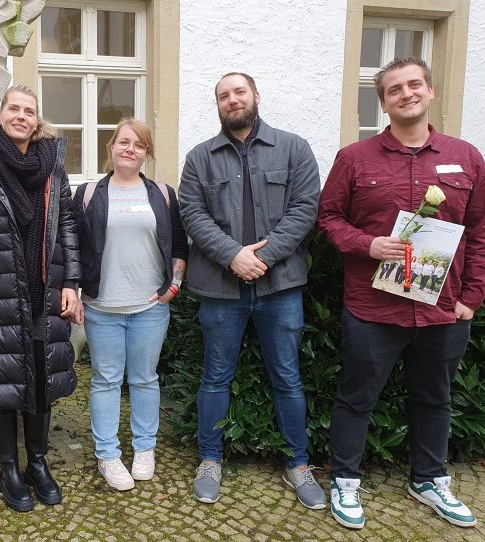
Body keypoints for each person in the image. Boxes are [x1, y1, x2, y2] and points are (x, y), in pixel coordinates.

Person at [319, 56, 483, 530]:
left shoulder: (467, 156)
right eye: (395, 89)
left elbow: (479, 230)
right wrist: (365, 244)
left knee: (435, 399)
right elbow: (329, 218)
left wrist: (471, 297)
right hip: (372, 308)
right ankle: (345, 480)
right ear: (384, 102)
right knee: (356, 398)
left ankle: (429, 479)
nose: (406, 94)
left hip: (442, 310)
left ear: (430, 91)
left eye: (414, 85)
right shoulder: (355, 158)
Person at [179, 72, 325, 509]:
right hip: (221, 289)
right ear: (218, 105)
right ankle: (209, 459)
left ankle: (298, 464)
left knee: (288, 377)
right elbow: (192, 213)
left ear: (256, 96)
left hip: (280, 287)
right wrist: (233, 256)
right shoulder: (199, 158)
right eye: (223, 95)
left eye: (239, 92)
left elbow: (305, 207)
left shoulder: (294, 148)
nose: (232, 100)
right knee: (215, 377)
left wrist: (264, 256)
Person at [0, 85, 80, 513]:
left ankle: (38, 463)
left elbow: (67, 229)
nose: (21, 116)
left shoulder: (53, 166)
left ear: (36, 119)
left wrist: (71, 282)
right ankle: (8, 468)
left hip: (43, 288)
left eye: (29, 110)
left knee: (42, 375)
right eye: (14, 108)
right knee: (3, 378)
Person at [71, 119, 188, 491]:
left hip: (150, 307)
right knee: (105, 380)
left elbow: (180, 246)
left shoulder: (163, 194)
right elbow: (70, 246)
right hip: (101, 306)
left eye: (139, 144)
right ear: (112, 147)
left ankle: (144, 449)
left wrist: (175, 284)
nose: (130, 149)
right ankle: (107, 454)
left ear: (147, 153)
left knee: (144, 379)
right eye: (124, 142)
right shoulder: (89, 193)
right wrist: (72, 289)